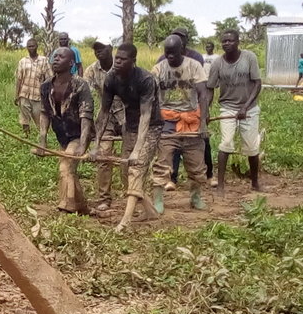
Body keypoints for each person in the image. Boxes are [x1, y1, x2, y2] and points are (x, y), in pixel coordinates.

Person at [90, 43, 163, 232]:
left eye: (123, 59)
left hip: (151, 127)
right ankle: (150, 211)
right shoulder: (111, 78)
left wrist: (138, 149)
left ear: (133, 61)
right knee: (126, 172)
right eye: (117, 58)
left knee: (136, 169)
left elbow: (146, 116)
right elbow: (104, 112)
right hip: (129, 126)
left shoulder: (146, 79)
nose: (118, 61)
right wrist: (96, 145)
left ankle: (125, 221)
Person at [151, 36, 210, 214]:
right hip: (167, 119)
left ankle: (195, 197)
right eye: (166, 53)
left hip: (191, 118)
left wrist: (203, 124)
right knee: (162, 162)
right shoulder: (158, 69)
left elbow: (203, 95)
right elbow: (150, 95)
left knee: (197, 164)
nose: (169, 56)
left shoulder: (194, 66)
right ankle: (158, 200)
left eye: (173, 53)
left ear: (182, 50)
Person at [35, 47, 94, 213]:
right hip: (62, 134)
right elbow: (45, 113)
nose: (55, 59)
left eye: (60, 57)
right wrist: (42, 140)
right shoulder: (46, 86)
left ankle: (67, 205)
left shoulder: (80, 85)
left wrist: (82, 145)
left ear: (71, 63)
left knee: (65, 166)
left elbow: (86, 117)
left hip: (79, 134)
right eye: (54, 56)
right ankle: (82, 206)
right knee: (70, 170)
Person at [207, 29, 262, 192]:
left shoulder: (249, 58)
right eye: (224, 41)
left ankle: (255, 183)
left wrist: (245, 107)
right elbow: (210, 88)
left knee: (252, 147)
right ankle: (221, 185)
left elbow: (257, 84)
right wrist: (207, 111)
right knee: (226, 143)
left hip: (249, 108)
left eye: (230, 41)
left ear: (238, 42)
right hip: (228, 107)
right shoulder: (217, 63)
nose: (227, 44)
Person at [84, 41, 125, 212]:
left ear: (111, 49)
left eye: (102, 49)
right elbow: (87, 94)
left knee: (129, 158)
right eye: (96, 50)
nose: (99, 53)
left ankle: (134, 195)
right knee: (103, 155)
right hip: (106, 114)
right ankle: (104, 198)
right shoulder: (91, 70)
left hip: (126, 113)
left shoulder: (123, 65)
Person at [14, 37, 51, 138]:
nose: (31, 48)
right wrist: (16, 95)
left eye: (33, 46)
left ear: (37, 46)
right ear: (26, 48)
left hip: (38, 95)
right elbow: (18, 79)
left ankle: (42, 138)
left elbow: (49, 79)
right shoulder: (23, 61)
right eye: (29, 46)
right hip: (24, 93)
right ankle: (26, 135)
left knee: (39, 119)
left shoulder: (44, 61)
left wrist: (48, 96)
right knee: (24, 118)